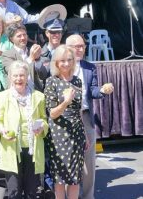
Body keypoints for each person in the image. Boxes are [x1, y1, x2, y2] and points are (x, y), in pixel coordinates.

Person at [66, 34, 114, 199]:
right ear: (68, 48)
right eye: (76, 46)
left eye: (82, 46)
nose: (80, 49)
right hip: (66, 118)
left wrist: (101, 91)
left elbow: (92, 90)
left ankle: (88, 196)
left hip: (86, 116)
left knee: (89, 161)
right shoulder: (62, 66)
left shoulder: (89, 67)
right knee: (69, 159)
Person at [0, 60, 49, 198]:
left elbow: (44, 120)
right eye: (15, 76)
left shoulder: (38, 97)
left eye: (22, 75)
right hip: (11, 149)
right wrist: (2, 131)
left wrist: (42, 128)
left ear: (27, 76)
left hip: (33, 150)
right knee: (14, 191)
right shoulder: (3, 96)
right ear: (10, 78)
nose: (19, 79)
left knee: (32, 191)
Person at [44, 45, 86, 199]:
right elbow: (52, 114)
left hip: (77, 134)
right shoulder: (51, 82)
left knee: (75, 178)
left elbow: (79, 110)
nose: (66, 64)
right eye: (62, 61)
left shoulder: (77, 81)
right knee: (60, 178)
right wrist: (66, 102)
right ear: (56, 63)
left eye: (69, 60)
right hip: (59, 135)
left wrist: (85, 135)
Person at [2, 23, 48, 92]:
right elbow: (14, 71)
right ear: (11, 39)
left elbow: (43, 75)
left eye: (24, 35)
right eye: (19, 36)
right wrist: (31, 58)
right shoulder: (7, 55)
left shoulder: (32, 51)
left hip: (35, 92)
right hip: (16, 94)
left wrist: (38, 60)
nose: (23, 38)